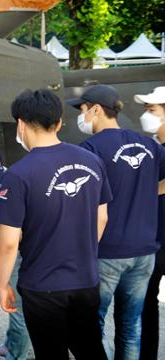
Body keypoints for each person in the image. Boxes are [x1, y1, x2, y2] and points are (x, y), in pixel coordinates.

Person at [0, 89, 111, 359]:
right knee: (90, 348)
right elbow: (102, 217)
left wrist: (3, 284)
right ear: (59, 123)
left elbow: (9, 240)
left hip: (42, 284)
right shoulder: (92, 161)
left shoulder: (18, 174)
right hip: (85, 278)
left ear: (20, 124)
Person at [67, 84, 165, 359]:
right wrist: (149, 191)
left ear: (96, 110)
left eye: (83, 110)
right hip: (145, 251)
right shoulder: (148, 144)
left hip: (107, 250)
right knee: (130, 325)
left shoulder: (89, 149)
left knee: (91, 325)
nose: (81, 116)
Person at [134, 86, 165, 360]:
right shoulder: (153, 148)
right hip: (154, 241)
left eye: (152, 109)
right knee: (147, 305)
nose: (146, 114)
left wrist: (144, 191)